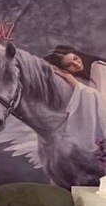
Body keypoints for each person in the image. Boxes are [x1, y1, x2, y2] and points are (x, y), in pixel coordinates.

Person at [45, 46, 106, 176]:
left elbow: (101, 102)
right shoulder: (86, 74)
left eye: (76, 58)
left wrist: (71, 80)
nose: (77, 64)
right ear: (64, 69)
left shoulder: (98, 66)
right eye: (69, 65)